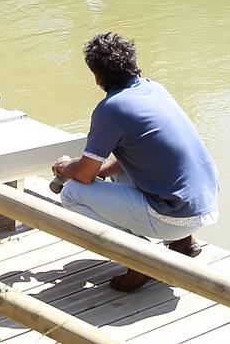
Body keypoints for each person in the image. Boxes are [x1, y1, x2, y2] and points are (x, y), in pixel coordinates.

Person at [51, 32, 220, 293]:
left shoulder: (111, 108)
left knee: (72, 193)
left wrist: (65, 167)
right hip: (204, 205)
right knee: (133, 164)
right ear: (133, 63)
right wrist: (99, 169)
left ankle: (140, 259)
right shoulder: (155, 89)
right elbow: (141, 153)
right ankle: (183, 242)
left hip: (174, 215)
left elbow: (84, 175)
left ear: (97, 77)